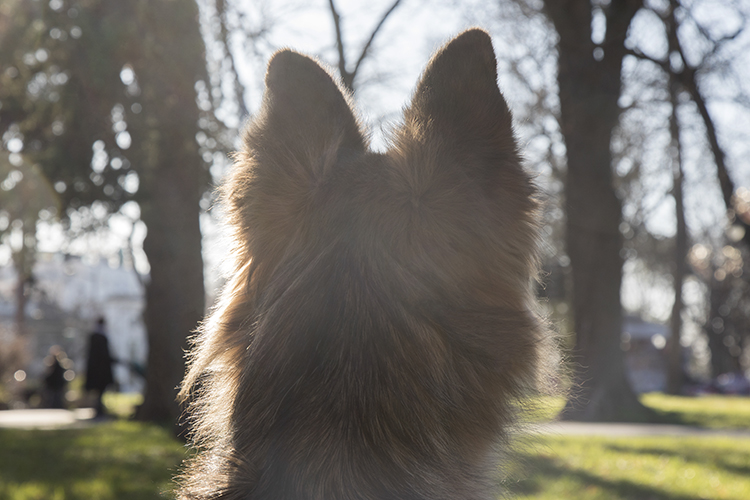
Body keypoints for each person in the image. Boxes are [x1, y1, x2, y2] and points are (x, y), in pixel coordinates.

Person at [85, 317, 114, 418]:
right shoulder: (101, 337)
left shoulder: (93, 336)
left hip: (95, 370)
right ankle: (99, 409)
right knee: (100, 391)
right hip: (101, 371)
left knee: (99, 392)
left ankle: (99, 409)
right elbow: (104, 355)